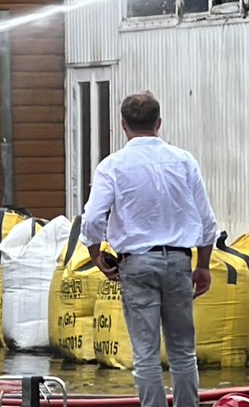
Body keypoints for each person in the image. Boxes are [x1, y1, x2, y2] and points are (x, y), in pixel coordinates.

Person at [79, 91, 219, 407]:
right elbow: (207, 222)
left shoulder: (112, 166)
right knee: (183, 350)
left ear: (123, 125)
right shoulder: (184, 161)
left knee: (146, 353)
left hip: (137, 265)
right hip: (180, 262)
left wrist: (95, 255)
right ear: (158, 123)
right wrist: (204, 265)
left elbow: (91, 220)